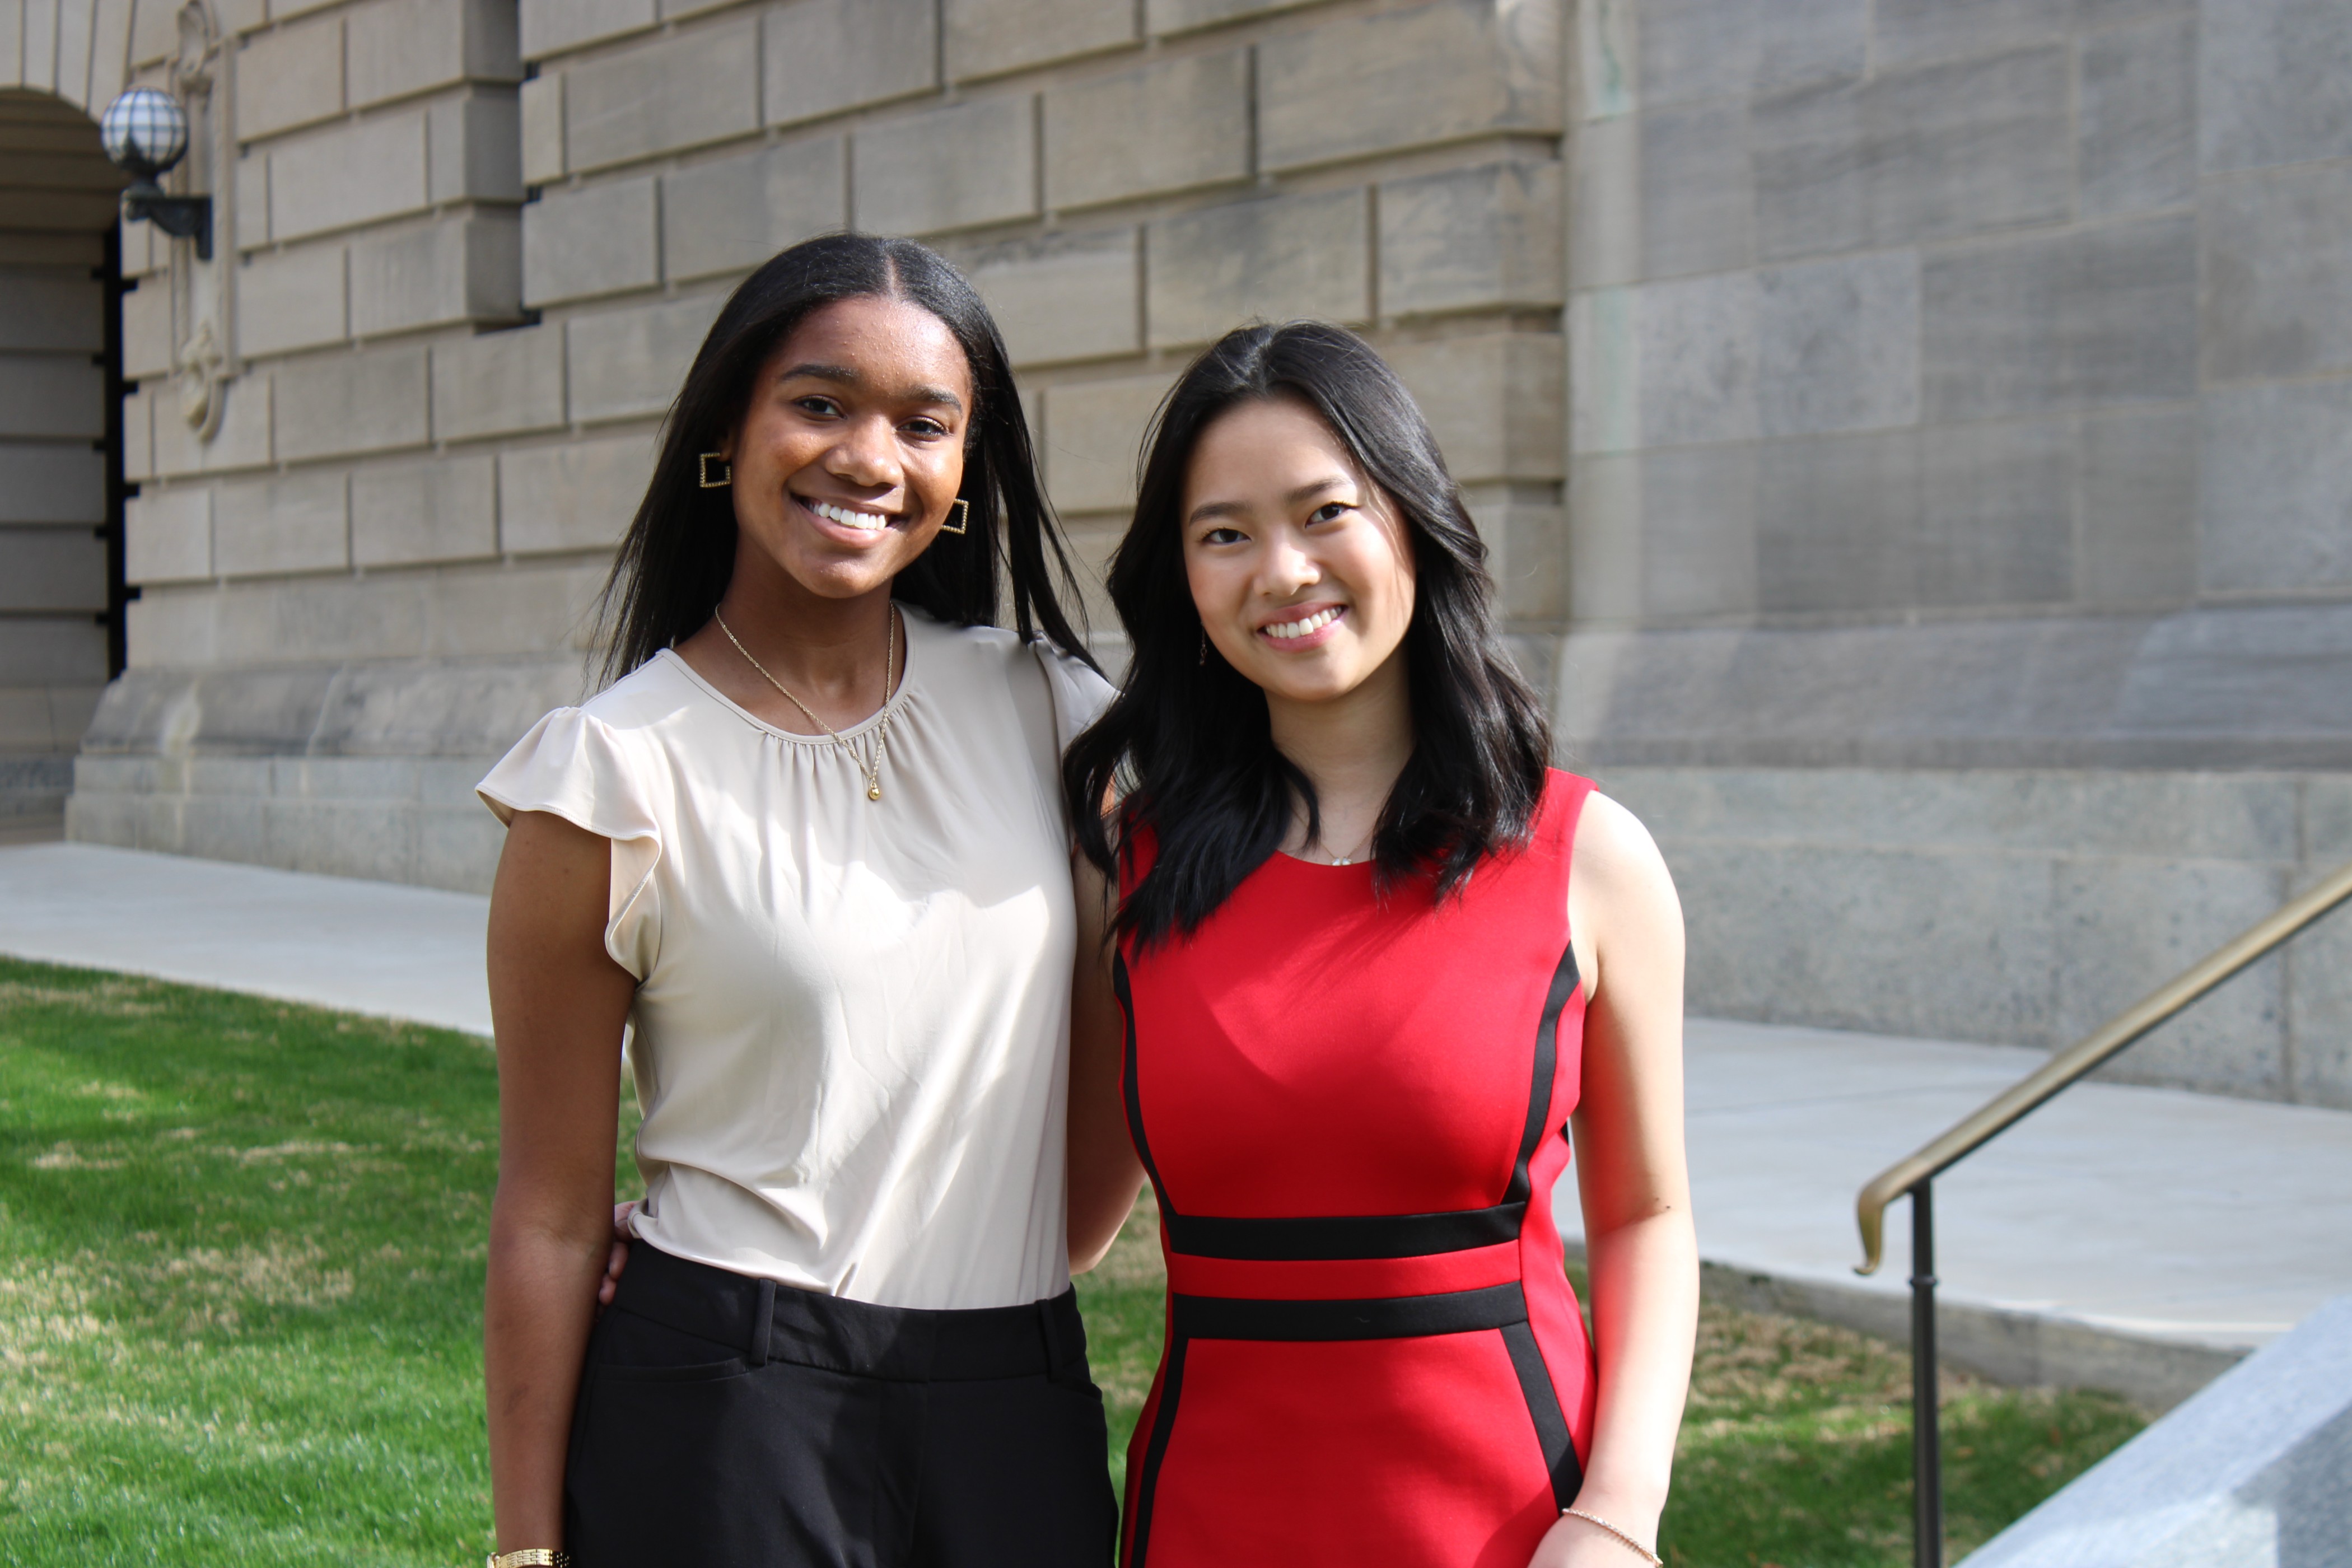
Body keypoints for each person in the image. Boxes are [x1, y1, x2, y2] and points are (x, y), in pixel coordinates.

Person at [477, 233, 1121, 1568]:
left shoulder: (1052, 715)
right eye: (820, 402)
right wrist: (526, 1547)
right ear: (732, 426)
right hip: (725, 1410)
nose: (868, 458)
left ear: (963, 468)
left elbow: (1119, 1062)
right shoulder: (605, 777)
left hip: (1018, 1396)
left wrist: (997, 1254)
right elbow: (547, 1209)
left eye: (922, 423)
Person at [1062, 321, 1698, 1568]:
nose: (1282, 571)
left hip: (1518, 1516)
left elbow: (1646, 1215)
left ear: (1411, 517)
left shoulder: (1591, 856)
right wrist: (724, 1250)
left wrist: (1619, 1514)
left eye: (1324, 511)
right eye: (1225, 533)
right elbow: (1057, 1218)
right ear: (1182, 580)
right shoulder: (1123, 870)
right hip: (1210, 1517)